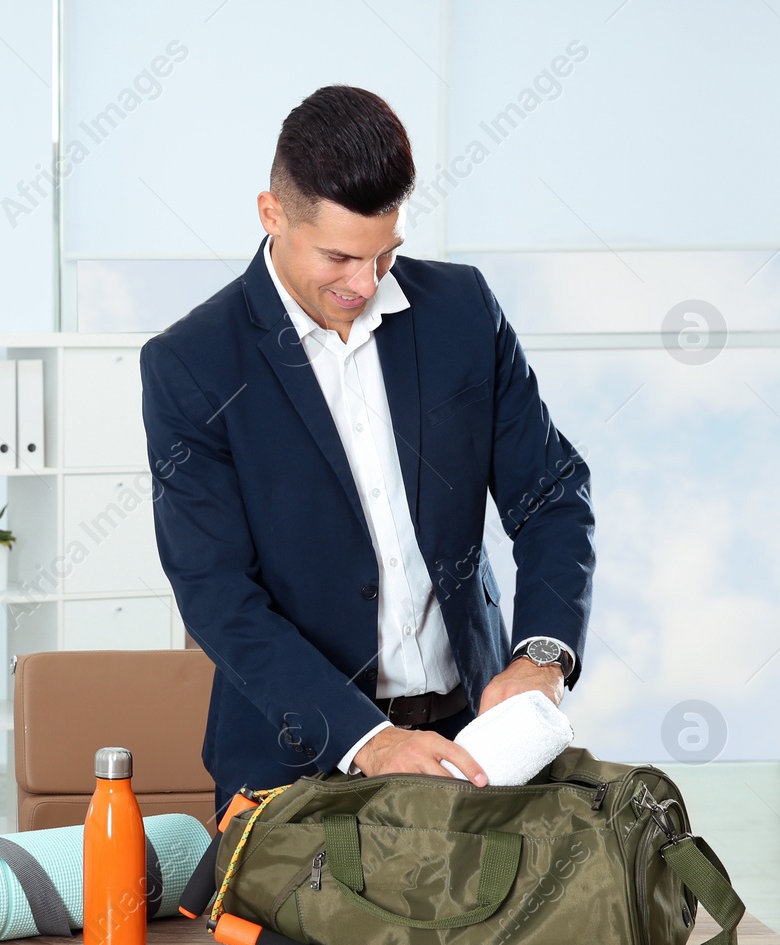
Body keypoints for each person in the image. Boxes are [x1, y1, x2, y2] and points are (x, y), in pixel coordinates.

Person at [139, 85, 596, 819]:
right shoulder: (193, 364)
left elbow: (551, 493)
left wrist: (540, 656)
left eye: (386, 254)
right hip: (297, 761)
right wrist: (369, 738)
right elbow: (216, 593)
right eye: (340, 256)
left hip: (467, 737)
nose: (365, 283)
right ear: (272, 214)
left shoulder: (463, 311)